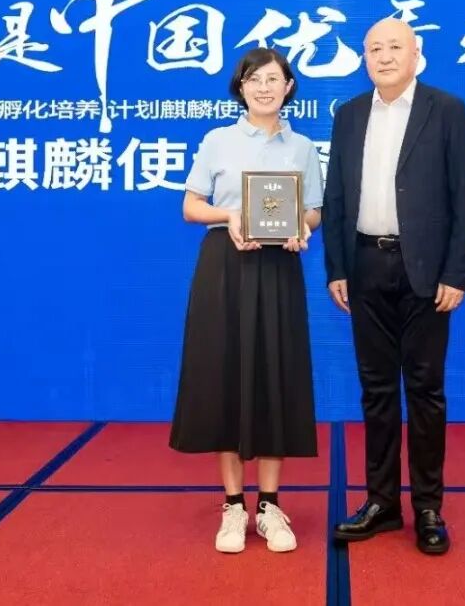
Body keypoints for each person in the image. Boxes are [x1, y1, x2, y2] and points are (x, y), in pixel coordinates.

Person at [323, 18, 465, 555]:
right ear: (364, 58)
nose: (385, 56)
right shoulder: (349, 115)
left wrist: (456, 274)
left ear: (417, 53)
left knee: (425, 390)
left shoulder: (446, 110)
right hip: (366, 265)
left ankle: (429, 507)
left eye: (395, 46)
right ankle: (382, 502)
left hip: (427, 273)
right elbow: (336, 197)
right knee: (376, 391)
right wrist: (337, 268)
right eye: (375, 48)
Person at [169, 47, 324, 555]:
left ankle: (270, 506)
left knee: (276, 376)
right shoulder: (218, 140)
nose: (264, 88)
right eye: (254, 79)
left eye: (273, 79)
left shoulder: (303, 147)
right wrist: (230, 216)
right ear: (240, 88)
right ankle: (234, 505)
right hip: (225, 267)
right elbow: (191, 205)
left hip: (279, 267)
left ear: (288, 86)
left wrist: (302, 226)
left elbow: (315, 210)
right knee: (226, 377)